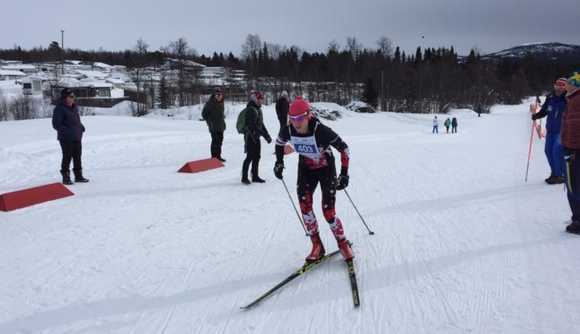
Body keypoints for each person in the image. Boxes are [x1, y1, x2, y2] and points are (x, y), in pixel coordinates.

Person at [273, 96, 354, 261]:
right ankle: (317, 244)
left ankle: (343, 243)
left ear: (308, 116)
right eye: (292, 118)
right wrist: (279, 162)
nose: (296, 123)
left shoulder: (321, 131)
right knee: (305, 207)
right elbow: (279, 143)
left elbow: (344, 149)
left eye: (299, 118)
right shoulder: (288, 130)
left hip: (326, 170)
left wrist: (344, 173)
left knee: (328, 212)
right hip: (306, 170)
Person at [531, 77, 568, 184]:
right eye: (557, 86)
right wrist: (537, 115)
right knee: (548, 151)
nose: (558, 89)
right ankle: (554, 173)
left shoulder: (568, 99)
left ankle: (560, 175)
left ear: (565, 88)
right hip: (550, 129)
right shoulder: (551, 97)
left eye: (561, 87)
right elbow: (545, 110)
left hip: (562, 130)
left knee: (556, 151)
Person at [52, 88, 89, 185]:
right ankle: (66, 177)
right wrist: (67, 131)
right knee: (67, 157)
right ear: (65, 97)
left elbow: (76, 121)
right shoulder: (59, 109)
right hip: (66, 138)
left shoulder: (74, 107)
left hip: (76, 136)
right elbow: (56, 124)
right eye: (71, 96)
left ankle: (78, 176)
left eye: (74, 96)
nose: (73, 98)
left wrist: (81, 128)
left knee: (77, 156)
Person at [561, 69, 580, 234]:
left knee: (573, 186)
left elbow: (575, 125)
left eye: (568, 82)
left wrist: (572, 148)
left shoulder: (575, 100)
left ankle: (578, 220)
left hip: (575, 151)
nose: (566, 85)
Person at [241, 90, 272, 185]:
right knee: (250, 156)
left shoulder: (257, 109)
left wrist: (266, 135)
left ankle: (255, 175)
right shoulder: (251, 109)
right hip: (250, 136)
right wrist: (263, 134)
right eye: (261, 98)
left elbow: (261, 124)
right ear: (257, 99)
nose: (263, 100)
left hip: (256, 136)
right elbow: (253, 125)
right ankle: (244, 177)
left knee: (257, 156)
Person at [202, 89, 226, 162]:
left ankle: (218, 156)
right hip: (213, 126)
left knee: (220, 141)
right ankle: (214, 157)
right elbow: (204, 114)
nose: (219, 97)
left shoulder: (222, 103)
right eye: (217, 95)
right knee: (215, 141)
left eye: (220, 95)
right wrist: (209, 121)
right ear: (214, 96)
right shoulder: (210, 103)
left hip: (221, 125)